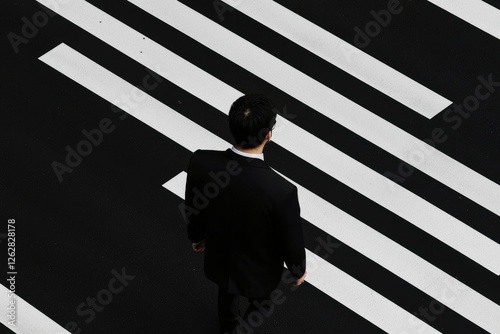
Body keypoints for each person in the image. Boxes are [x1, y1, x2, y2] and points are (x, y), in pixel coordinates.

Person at [184, 94, 307, 334]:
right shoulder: (280, 190)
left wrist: (197, 236)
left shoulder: (201, 161)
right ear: (268, 135)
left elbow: (194, 204)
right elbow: (289, 236)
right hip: (259, 266)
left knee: (227, 289)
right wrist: (297, 269)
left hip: (221, 253)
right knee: (261, 301)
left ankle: (228, 325)